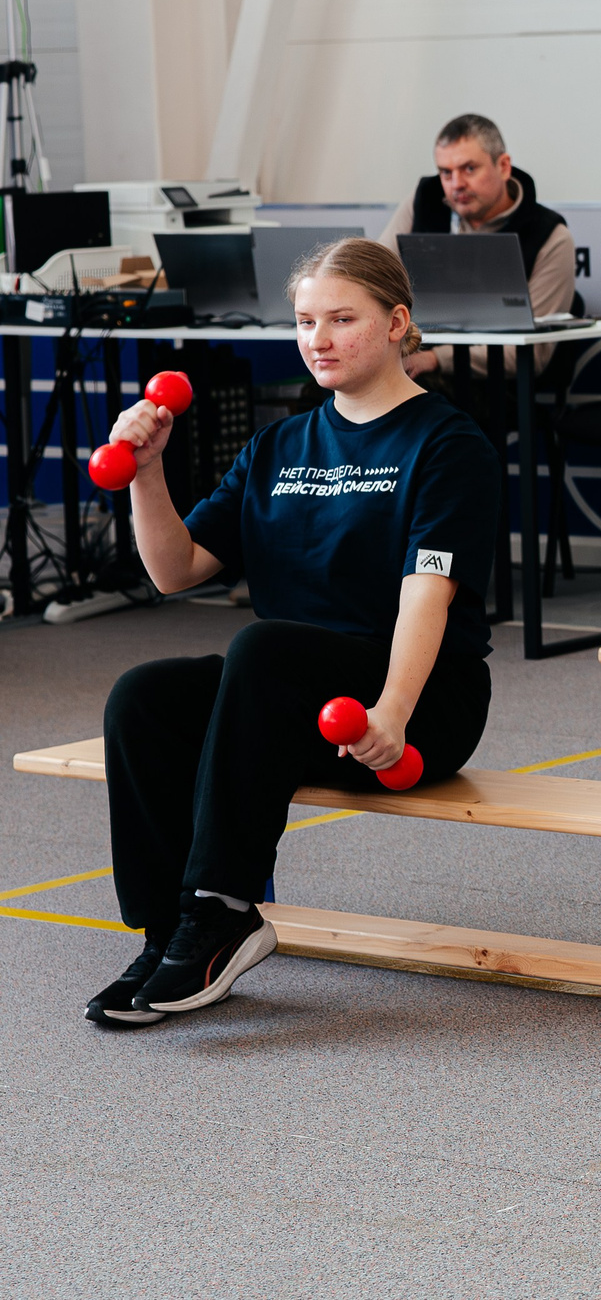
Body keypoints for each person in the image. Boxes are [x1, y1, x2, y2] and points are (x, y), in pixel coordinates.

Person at [86, 239, 501, 1026]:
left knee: (262, 647)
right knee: (145, 695)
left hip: (417, 701)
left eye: (343, 319)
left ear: (397, 323)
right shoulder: (279, 445)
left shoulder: (448, 445)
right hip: (284, 696)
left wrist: (391, 712)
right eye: (307, 320)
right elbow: (176, 569)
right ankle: (167, 929)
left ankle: (222, 908)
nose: (320, 338)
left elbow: (428, 599)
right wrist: (146, 471)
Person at [378, 112, 577, 378]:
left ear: (503, 166)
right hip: (410, 364)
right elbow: (373, 278)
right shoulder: (423, 201)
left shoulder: (549, 235)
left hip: (493, 388)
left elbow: (534, 353)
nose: (456, 184)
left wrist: (435, 359)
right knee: (326, 395)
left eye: (469, 169)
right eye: (446, 173)